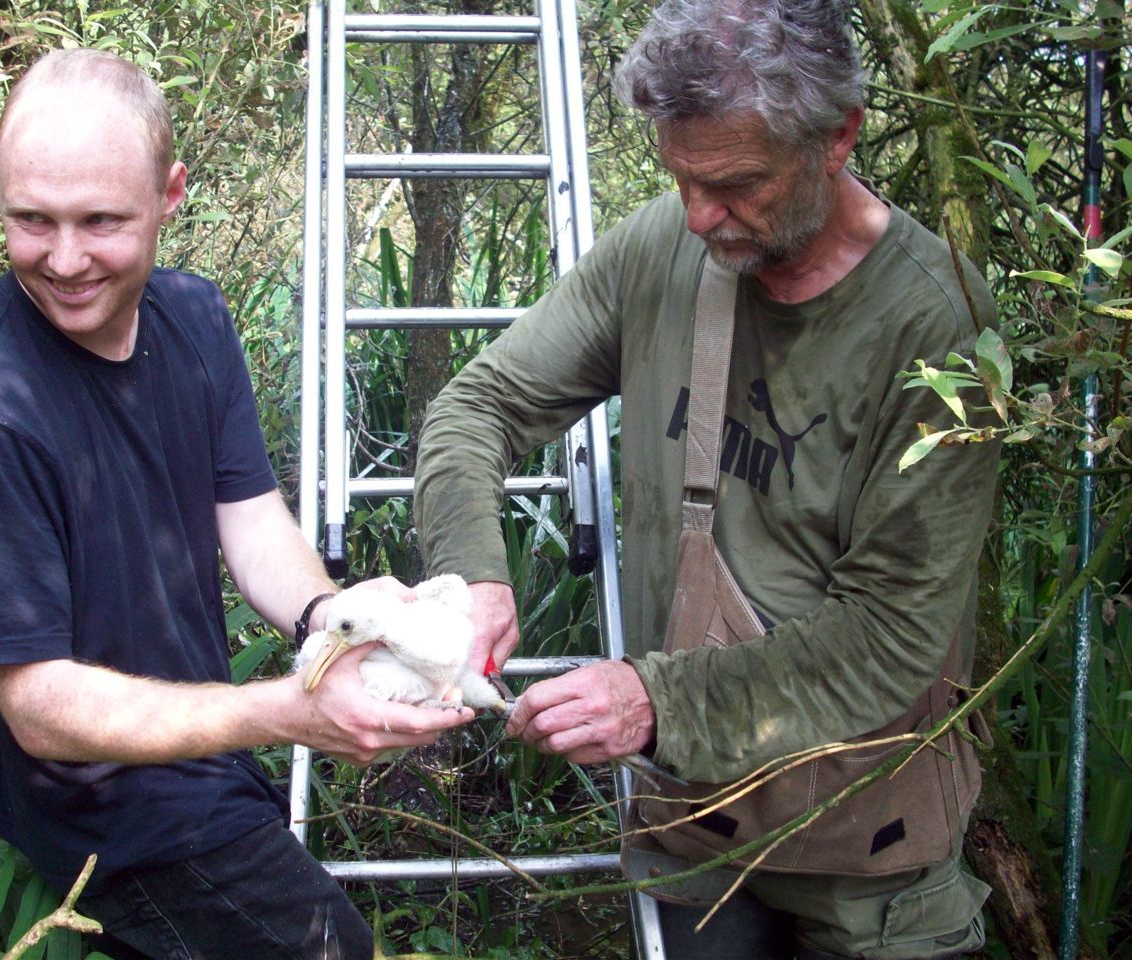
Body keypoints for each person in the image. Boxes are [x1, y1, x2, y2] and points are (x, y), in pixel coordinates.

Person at [413, 1, 999, 958]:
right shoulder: (661, 249)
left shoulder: (936, 330)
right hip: (698, 834)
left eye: (735, 185)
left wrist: (655, 703)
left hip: (869, 862)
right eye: (679, 177)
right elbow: (476, 410)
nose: (698, 216)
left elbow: (892, 637)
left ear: (837, 137)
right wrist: (474, 571)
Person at [0, 48, 472, 960]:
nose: (63, 259)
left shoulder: (195, 320)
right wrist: (283, 712)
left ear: (171, 195)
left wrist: (334, 620)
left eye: (101, 221)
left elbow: (249, 520)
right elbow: (40, 707)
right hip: (111, 817)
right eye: (31, 220)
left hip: (203, 766)